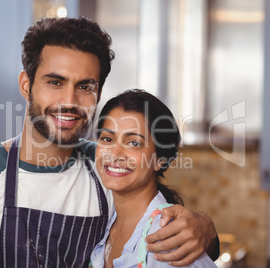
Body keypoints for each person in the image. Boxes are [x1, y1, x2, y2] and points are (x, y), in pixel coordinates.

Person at [0, 17, 218, 268]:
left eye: (85, 86)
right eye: (55, 82)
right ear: (26, 85)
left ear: (97, 94)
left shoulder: (108, 168)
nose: (70, 101)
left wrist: (205, 229)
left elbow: (166, 232)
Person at [89, 89, 217, 268]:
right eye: (107, 139)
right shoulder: (107, 221)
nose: (115, 154)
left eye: (134, 143)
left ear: (160, 160)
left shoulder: (168, 241)